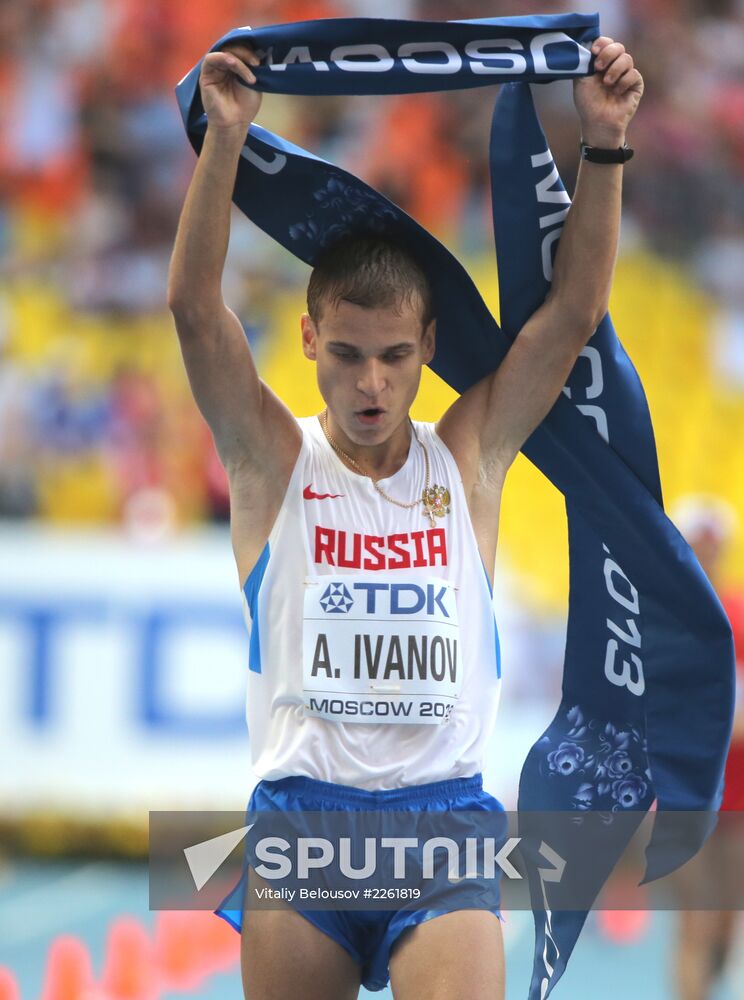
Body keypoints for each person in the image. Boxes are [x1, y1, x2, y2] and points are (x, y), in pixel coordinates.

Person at [167, 33, 644, 1000]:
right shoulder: (272, 460)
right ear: (307, 339)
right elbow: (193, 310)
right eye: (345, 354)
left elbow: (571, 316)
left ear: (429, 343)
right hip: (303, 828)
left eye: (394, 355)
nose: (371, 383)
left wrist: (601, 143)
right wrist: (224, 141)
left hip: (445, 827)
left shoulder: (468, 455)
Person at [670, 496, 744, 1000]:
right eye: (698, 544)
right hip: (685, 795)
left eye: (712, 546)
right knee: (696, 923)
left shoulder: (738, 613)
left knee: (726, 922)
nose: (706, 554)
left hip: (739, 787)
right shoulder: (662, 616)